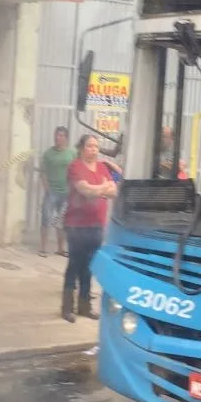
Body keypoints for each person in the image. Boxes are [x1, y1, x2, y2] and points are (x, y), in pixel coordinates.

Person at [62, 134, 117, 323]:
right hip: (76, 225)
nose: (93, 149)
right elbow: (83, 189)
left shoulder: (102, 167)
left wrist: (99, 189)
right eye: (90, 146)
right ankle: (67, 307)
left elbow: (114, 191)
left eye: (96, 146)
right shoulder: (75, 166)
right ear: (81, 148)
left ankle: (84, 306)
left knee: (89, 266)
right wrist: (103, 187)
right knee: (75, 264)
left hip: (96, 225)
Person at [39, 126, 73, 257]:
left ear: (66, 138)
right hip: (51, 192)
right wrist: (47, 189)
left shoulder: (71, 154)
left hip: (66, 193)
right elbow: (43, 173)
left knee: (62, 221)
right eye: (56, 135)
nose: (57, 138)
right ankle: (42, 248)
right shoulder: (48, 154)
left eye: (61, 135)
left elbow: (75, 171)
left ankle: (60, 248)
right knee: (46, 218)